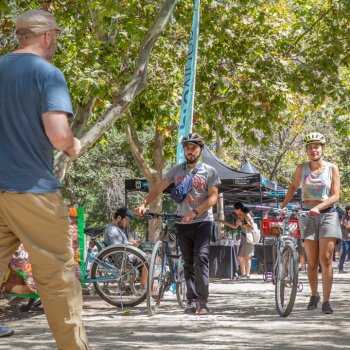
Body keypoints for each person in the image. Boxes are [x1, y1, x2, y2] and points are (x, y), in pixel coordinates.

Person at [0, 9, 90, 348]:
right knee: (57, 279)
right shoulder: (47, 74)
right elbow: (57, 134)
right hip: (32, 192)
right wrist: (72, 145)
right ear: (48, 36)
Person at [135, 133, 221, 315]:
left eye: (194, 148)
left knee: (201, 258)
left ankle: (202, 302)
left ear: (201, 149)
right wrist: (143, 203)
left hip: (203, 221)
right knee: (188, 263)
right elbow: (158, 189)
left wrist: (196, 211)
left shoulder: (210, 171)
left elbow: (213, 197)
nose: (190, 151)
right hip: (183, 223)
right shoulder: (176, 171)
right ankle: (191, 301)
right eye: (187, 148)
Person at [281, 132, 342, 315]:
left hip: (328, 215)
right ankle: (314, 295)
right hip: (307, 215)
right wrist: (284, 207)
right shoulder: (302, 168)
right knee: (312, 262)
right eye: (310, 147)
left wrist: (319, 207)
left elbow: (335, 196)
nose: (313, 150)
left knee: (326, 260)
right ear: (306, 150)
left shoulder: (332, 168)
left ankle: (326, 300)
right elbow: (293, 187)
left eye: (317, 146)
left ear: (323, 148)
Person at [104, 207, 147, 289]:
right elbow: (117, 248)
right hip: (122, 259)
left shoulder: (117, 229)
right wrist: (132, 246)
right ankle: (143, 289)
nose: (127, 223)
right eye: (126, 220)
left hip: (125, 256)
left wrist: (132, 243)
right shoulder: (113, 230)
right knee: (147, 259)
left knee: (149, 256)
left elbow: (122, 243)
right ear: (119, 218)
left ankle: (147, 287)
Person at [221, 202, 255, 279]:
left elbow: (252, 227)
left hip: (248, 238)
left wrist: (242, 224)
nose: (234, 211)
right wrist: (225, 223)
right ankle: (245, 274)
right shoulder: (239, 216)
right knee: (244, 257)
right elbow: (235, 226)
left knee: (245, 257)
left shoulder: (247, 215)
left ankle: (245, 274)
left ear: (239, 209)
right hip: (243, 238)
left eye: (235, 209)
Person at [339, 205, 350, 273]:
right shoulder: (344, 217)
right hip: (346, 238)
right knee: (344, 253)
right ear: (347, 210)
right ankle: (340, 269)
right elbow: (347, 226)